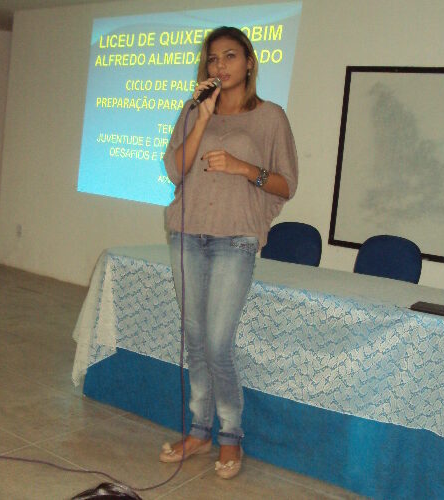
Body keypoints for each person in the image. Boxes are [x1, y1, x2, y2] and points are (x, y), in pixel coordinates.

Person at [160, 26, 298, 479]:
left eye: (230, 56)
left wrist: (243, 168)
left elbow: (286, 184)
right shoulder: (193, 110)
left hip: (235, 238)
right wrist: (202, 117)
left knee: (218, 342)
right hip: (188, 234)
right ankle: (200, 430)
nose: (220, 65)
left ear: (250, 62)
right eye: (213, 58)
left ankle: (230, 436)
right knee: (195, 339)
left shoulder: (270, 117)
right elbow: (176, 171)